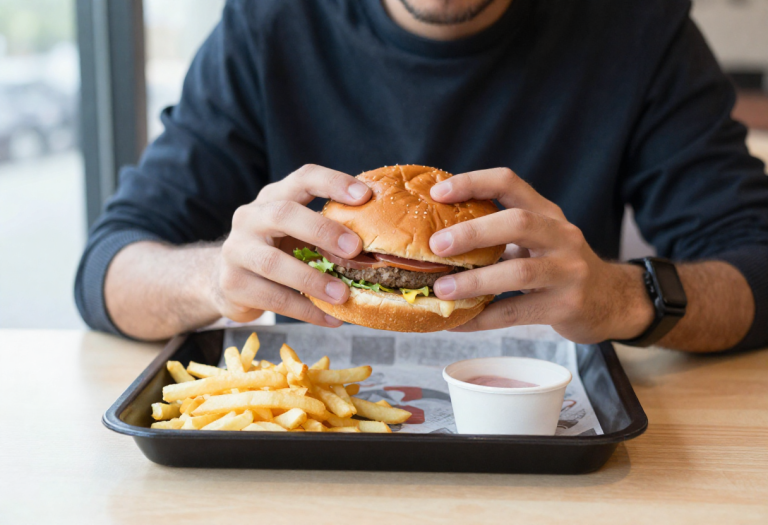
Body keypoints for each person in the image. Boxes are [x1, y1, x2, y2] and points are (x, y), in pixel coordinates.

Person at [75, 0, 768, 352]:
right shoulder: (269, 24)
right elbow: (107, 268)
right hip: (303, 458)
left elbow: (758, 264)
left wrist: (625, 297)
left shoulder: (637, 26)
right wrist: (217, 279)